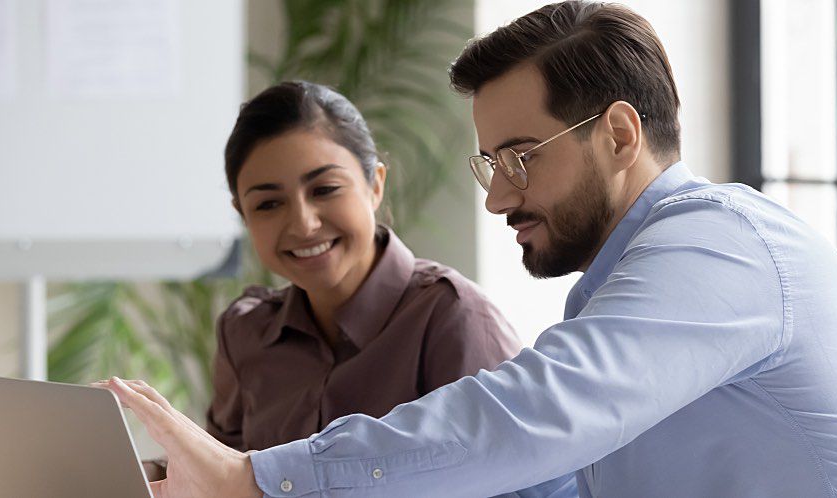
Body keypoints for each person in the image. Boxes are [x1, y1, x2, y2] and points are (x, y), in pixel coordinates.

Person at [103, 2, 837, 496]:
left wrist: (259, 479)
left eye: (520, 158)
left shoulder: (721, 248)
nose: (498, 195)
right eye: (490, 163)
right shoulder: (626, 285)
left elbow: (531, 416)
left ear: (618, 132)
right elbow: (550, 477)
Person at [139, 81, 545, 491]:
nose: (303, 223)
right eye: (268, 204)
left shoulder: (454, 317)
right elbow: (218, 472)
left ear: (375, 185)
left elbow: (514, 481)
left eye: (325, 189)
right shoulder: (245, 333)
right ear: (242, 214)